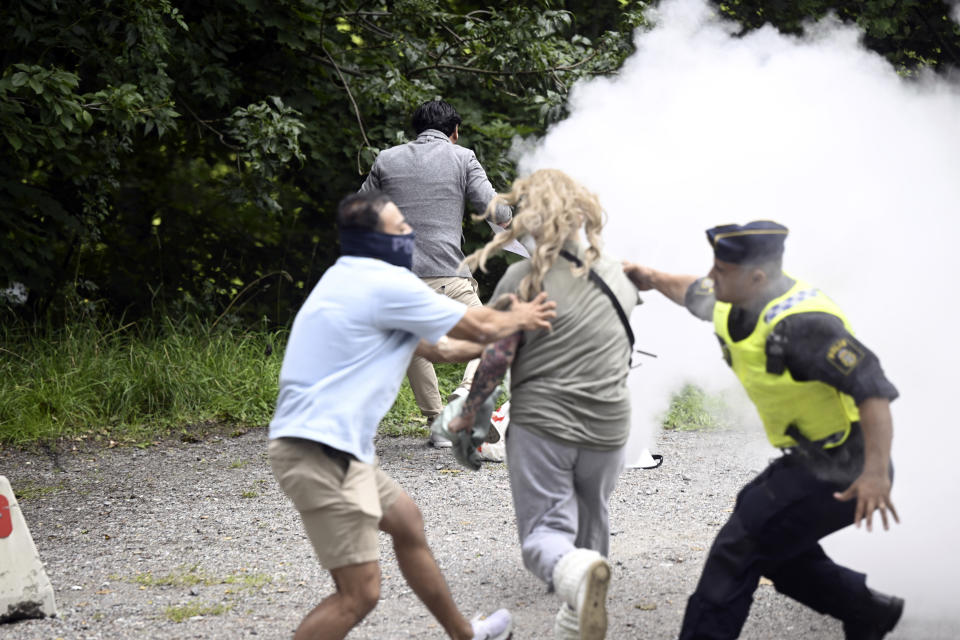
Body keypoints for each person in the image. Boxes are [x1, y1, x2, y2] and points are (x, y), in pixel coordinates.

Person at [268, 190, 556, 640]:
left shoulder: (350, 281)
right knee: (357, 595)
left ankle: (465, 634)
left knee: (407, 522)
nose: (409, 233)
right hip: (320, 453)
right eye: (399, 228)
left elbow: (443, 349)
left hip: (331, 449)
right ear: (373, 240)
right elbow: (477, 325)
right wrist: (526, 316)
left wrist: (505, 340)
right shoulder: (383, 283)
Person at [622, 221, 903, 640]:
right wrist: (650, 277)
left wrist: (876, 475)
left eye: (720, 271)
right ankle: (867, 611)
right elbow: (690, 290)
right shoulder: (731, 298)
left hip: (849, 467)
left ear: (757, 277)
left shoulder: (803, 324)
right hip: (811, 460)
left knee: (739, 546)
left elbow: (873, 390)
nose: (710, 278)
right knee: (774, 547)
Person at [443, 169, 639, 640]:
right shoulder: (617, 275)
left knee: (543, 536)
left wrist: (471, 416)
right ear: (581, 214)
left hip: (544, 426)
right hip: (610, 426)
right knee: (592, 511)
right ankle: (582, 607)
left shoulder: (523, 278)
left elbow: (494, 359)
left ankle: (576, 574)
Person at [359, 99, 513, 446]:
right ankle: (464, 394)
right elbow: (496, 210)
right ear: (454, 132)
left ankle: (437, 423)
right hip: (448, 277)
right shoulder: (462, 157)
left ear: (417, 130)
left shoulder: (387, 159)